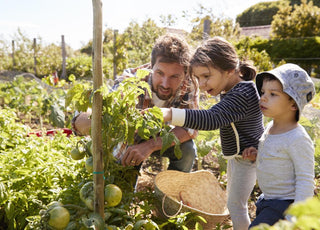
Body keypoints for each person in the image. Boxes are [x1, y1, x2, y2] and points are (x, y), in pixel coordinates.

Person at [160, 36, 264, 230]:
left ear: (229, 70)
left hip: (249, 159)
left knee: (236, 205)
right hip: (240, 157)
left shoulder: (243, 93)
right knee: (235, 203)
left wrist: (169, 114)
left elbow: (211, 119)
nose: (202, 84)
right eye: (198, 78)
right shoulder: (233, 90)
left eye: (206, 76)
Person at [72, 33, 199, 173]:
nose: (165, 84)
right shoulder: (131, 82)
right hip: (131, 137)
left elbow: (191, 128)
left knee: (188, 150)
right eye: (160, 73)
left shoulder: (189, 84)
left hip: (160, 136)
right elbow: (114, 126)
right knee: (124, 178)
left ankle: (170, 192)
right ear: (151, 66)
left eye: (174, 76)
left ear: (185, 73)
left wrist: (150, 146)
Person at [242, 63, 315, 228]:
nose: (263, 97)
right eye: (263, 92)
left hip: (284, 205)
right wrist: (257, 155)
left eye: (273, 94)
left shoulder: (297, 138)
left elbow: (305, 181)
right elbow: (276, 156)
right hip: (267, 200)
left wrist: (293, 219)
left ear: (293, 104)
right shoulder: (270, 127)